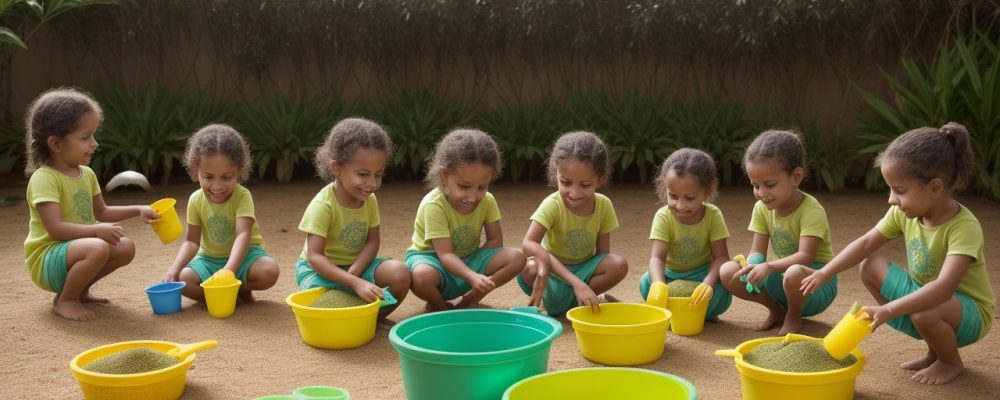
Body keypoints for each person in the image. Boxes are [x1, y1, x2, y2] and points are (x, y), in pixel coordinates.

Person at [801, 122, 993, 385]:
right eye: (891, 189)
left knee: (926, 311)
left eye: (900, 191)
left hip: (968, 312)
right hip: (930, 299)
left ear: (935, 188)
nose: (891, 199)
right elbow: (867, 242)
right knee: (870, 266)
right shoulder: (903, 213)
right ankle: (933, 346)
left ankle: (949, 360)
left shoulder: (964, 227)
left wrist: (890, 309)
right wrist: (825, 271)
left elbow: (944, 289)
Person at [23, 88, 159, 321]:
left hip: (76, 251)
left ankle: (79, 290)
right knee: (98, 246)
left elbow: (102, 212)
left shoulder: (86, 174)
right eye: (85, 137)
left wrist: (138, 209)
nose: (94, 143)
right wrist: (96, 230)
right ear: (55, 144)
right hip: (47, 258)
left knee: (125, 247)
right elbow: (55, 229)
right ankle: (65, 299)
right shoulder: (44, 178)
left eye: (94, 135)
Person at [719, 130, 837, 334]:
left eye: (769, 184)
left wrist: (769, 266)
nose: (761, 193)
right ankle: (777, 312)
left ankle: (793, 315)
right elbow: (757, 252)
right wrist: (753, 267)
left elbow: (806, 257)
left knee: (793, 272)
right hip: (781, 278)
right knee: (728, 271)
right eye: (755, 185)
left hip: (813, 283)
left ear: (796, 176)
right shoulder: (761, 209)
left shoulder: (811, 210)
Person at [296, 118, 410, 319]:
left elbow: (373, 242)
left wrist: (356, 272)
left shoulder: (369, 200)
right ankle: (352, 314)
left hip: (358, 266)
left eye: (378, 174)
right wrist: (353, 282)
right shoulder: (323, 205)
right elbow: (315, 257)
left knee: (400, 274)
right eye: (363, 174)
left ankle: (370, 319)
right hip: (320, 273)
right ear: (336, 168)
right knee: (321, 304)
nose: (372, 183)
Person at [405, 129, 525, 311]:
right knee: (421, 276)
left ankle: (470, 300)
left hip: (467, 261)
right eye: (464, 186)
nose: (473, 196)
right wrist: (470, 275)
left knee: (517, 257)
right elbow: (445, 254)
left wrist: (476, 267)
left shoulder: (488, 201)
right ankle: (438, 306)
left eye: (482, 187)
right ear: (445, 177)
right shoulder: (434, 204)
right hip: (434, 262)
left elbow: (495, 242)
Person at [163, 124, 279, 303]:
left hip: (246, 256)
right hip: (209, 259)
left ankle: (236, 289)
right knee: (183, 280)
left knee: (270, 271)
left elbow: (243, 235)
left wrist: (229, 272)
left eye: (226, 177)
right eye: (208, 177)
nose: (217, 186)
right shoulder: (195, 199)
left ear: (240, 171)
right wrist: (174, 269)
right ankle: (223, 297)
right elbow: (191, 242)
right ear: (195, 171)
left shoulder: (242, 196)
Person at [518, 131, 628, 316]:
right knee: (530, 268)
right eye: (566, 183)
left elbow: (602, 256)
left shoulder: (604, 205)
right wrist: (548, 268)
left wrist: (584, 282)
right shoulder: (552, 204)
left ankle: (574, 299)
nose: (574, 193)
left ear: (601, 179)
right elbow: (528, 244)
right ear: (556, 174)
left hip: (584, 271)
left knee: (618, 264)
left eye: (584, 185)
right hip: (553, 272)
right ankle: (572, 299)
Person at [639, 148, 732, 320]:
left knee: (723, 289)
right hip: (671, 275)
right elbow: (657, 259)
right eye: (673, 196)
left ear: (707, 191)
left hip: (701, 274)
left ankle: (697, 311)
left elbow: (721, 257)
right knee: (646, 283)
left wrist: (708, 283)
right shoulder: (663, 216)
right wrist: (659, 284)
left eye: (689, 198)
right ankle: (695, 313)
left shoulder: (713, 215)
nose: (680, 205)